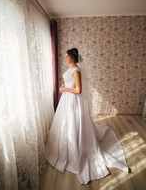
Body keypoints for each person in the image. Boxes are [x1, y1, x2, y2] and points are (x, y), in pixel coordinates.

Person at [46, 48, 130, 184]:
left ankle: (77, 147)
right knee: (66, 122)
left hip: (73, 100)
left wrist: (64, 89)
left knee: (74, 121)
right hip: (67, 99)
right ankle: (66, 145)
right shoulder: (70, 70)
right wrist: (65, 85)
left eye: (67, 57)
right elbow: (70, 83)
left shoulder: (76, 71)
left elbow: (78, 90)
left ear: (72, 58)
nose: (65, 58)